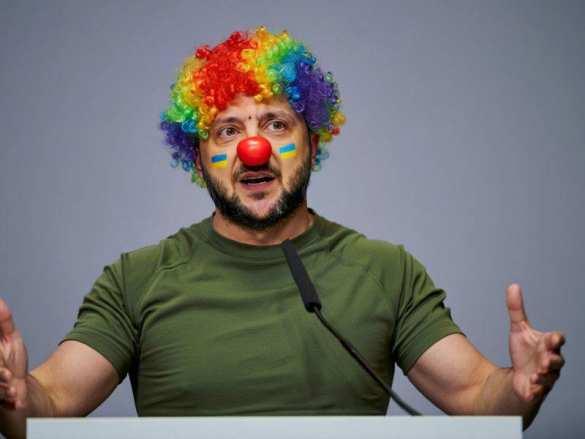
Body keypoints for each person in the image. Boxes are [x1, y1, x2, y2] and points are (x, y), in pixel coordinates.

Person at [0, 26, 566, 438]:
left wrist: (518, 389)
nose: (254, 148)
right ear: (198, 157)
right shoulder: (136, 278)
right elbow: (47, 406)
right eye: (227, 131)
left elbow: (478, 396)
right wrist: (16, 396)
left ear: (312, 142)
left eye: (275, 123)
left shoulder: (385, 270)